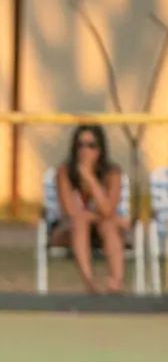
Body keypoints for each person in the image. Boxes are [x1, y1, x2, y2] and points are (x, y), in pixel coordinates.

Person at [55, 124, 128, 293]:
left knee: (108, 225)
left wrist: (89, 178)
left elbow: (108, 210)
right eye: (80, 145)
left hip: (104, 230)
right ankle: (90, 284)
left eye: (91, 145)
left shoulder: (112, 173)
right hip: (70, 231)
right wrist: (101, 215)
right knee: (81, 222)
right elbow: (70, 212)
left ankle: (116, 283)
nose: (85, 151)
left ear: (100, 149)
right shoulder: (65, 172)